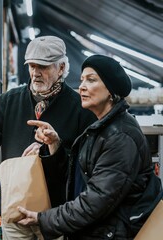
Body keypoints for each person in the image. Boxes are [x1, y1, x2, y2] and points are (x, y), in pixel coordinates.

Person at [0, 36, 96, 239]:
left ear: (61, 67)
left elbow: (83, 167)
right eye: (32, 65)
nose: (36, 73)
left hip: (55, 213)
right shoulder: (10, 100)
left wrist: (55, 146)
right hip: (15, 207)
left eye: (44, 66)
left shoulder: (80, 108)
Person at [17, 55, 162, 239]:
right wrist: (54, 144)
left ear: (111, 90)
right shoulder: (100, 127)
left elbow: (96, 202)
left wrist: (43, 219)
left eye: (91, 80)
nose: (82, 86)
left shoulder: (120, 136)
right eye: (81, 80)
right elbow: (82, 176)